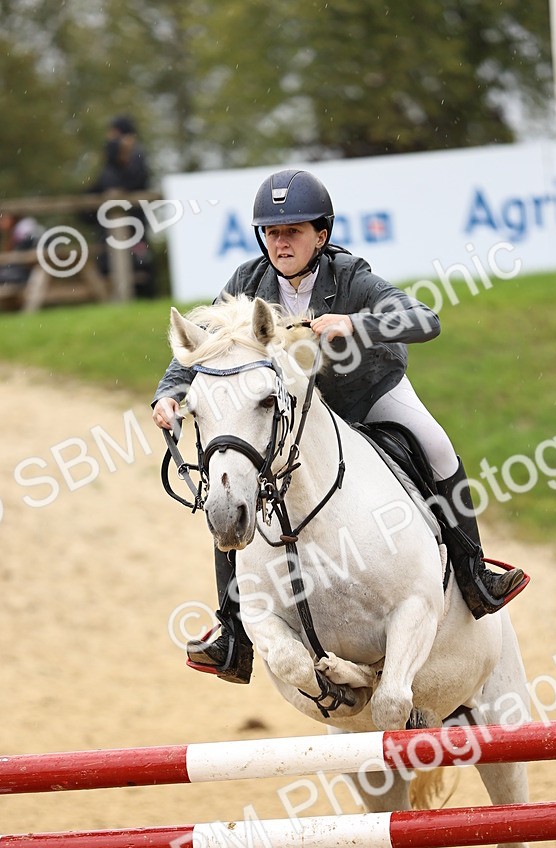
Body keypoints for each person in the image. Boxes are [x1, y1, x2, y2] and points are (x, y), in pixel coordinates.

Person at [151, 169, 526, 684]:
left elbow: (426, 320)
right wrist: (168, 393)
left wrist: (358, 324)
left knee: (437, 446)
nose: (280, 243)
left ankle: (473, 572)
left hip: (367, 395)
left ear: (320, 235)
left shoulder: (351, 276)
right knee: (231, 492)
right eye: (272, 233)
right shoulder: (245, 283)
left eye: (293, 231)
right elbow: (206, 348)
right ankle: (233, 632)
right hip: (293, 415)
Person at [84, 115, 154, 298]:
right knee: (122, 264)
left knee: (136, 265)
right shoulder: (117, 157)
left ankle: (133, 296)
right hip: (122, 224)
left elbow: (133, 182)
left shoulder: (135, 156)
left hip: (131, 223)